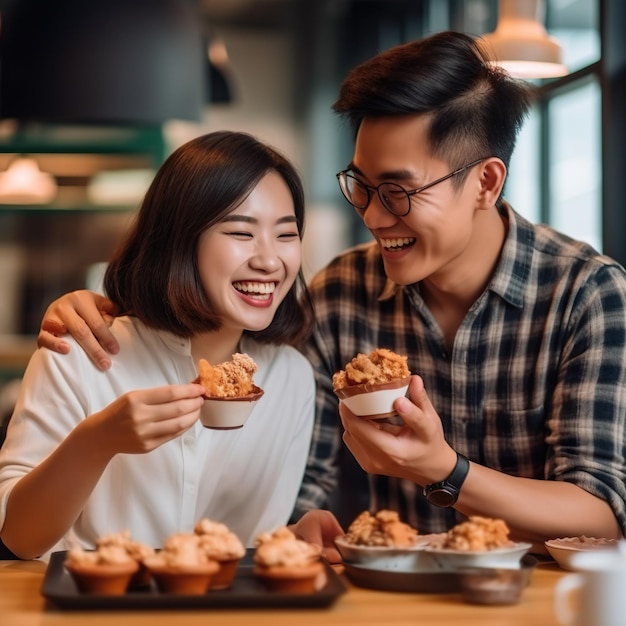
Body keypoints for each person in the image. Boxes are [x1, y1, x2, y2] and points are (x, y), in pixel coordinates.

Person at [37, 32, 626, 549]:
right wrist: (115, 307)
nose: (372, 215)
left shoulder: (587, 295)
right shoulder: (342, 292)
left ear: (484, 182)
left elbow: (600, 514)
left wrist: (444, 470)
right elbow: (300, 477)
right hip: (384, 599)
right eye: (359, 186)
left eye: (396, 191)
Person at [0, 130, 343, 561]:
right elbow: (19, 538)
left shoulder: (291, 377)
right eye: (241, 232)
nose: (270, 260)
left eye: (285, 235)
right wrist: (97, 441)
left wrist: (292, 534)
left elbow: (251, 544)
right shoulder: (82, 353)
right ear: (180, 239)